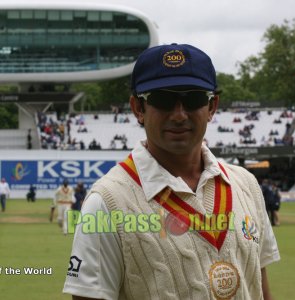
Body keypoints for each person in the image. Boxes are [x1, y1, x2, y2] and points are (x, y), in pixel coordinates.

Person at [63, 44, 280, 300]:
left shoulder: (246, 184)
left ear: (212, 107)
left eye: (194, 99)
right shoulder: (106, 201)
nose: (179, 115)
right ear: (138, 109)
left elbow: (258, 285)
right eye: (163, 99)